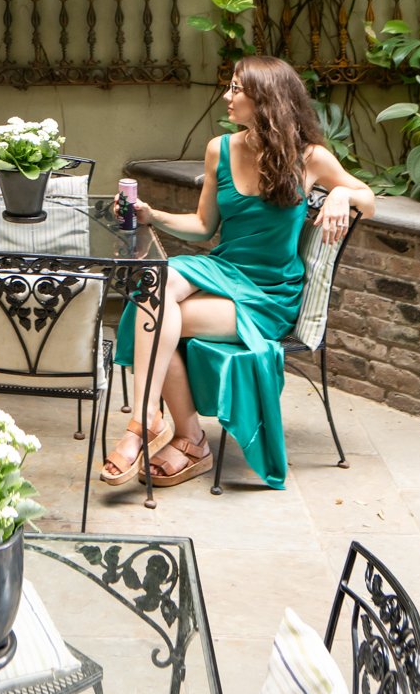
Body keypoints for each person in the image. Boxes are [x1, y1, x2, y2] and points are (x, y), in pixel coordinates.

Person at [100, 55, 375, 491]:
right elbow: (204, 227)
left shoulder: (311, 157)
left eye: (236, 88)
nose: (226, 97)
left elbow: (369, 197)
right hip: (222, 268)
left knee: (149, 315)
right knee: (157, 287)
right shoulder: (220, 150)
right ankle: (151, 422)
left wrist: (342, 193)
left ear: (266, 99)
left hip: (267, 295)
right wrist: (152, 215)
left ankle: (176, 436)